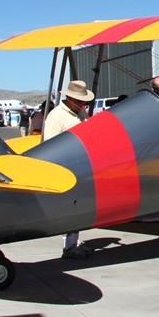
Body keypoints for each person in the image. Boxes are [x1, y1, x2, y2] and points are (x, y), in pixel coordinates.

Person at [43, 80, 95, 258]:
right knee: (70, 209)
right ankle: (69, 246)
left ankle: (74, 243)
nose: (83, 104)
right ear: (70, 98)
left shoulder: (81, 112)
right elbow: (49, 146)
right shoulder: (56, 116)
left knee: (79, 207)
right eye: (80, 101)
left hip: (82, 167)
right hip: (66, 169)